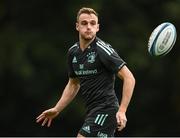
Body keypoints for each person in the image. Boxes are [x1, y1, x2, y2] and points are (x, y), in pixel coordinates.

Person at [36, 7, 135, 137]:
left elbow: (129, 77)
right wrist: (57, 109)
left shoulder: (102, 50)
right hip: (91, 111)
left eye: (92, 23)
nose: (89, 27)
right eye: (84, 23)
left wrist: (122, 110)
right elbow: (73, 84)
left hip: (106, 109)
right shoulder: (73, 52)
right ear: (77, 26)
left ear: (98, 27)